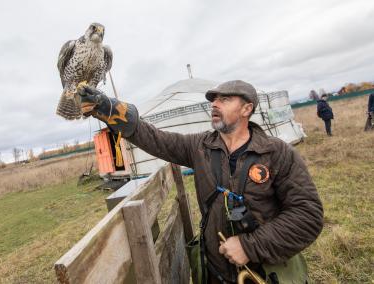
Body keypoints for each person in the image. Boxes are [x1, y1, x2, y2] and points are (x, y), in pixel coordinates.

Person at [78, 80, 323, 283]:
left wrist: (250, 246)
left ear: (247, 109)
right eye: (213, 100)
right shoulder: (200, 147)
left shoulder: (277, 153)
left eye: (224, 100)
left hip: (266, 273)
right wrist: (114, 113)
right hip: (215, 273)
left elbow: (308, 216)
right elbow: (158, 140)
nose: (214, 105)